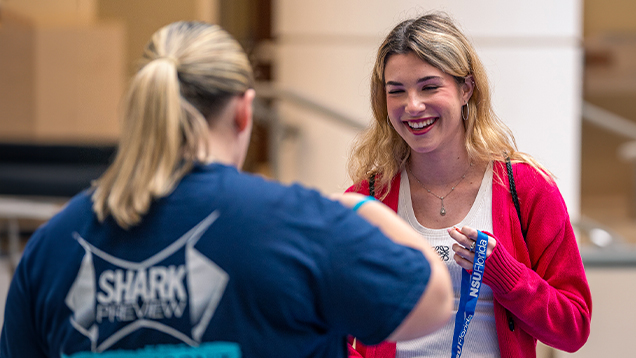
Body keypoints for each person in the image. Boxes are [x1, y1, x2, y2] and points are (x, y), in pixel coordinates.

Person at [0, 21, 453, 358]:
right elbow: (432, 303)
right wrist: (360, 210)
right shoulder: (300, 224)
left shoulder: (52, 246)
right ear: (243, 111)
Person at [345, 13, 592, 358]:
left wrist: (506, 275)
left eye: (430, 87)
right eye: (396, 91)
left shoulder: (526, 189)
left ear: (466, 89)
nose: (413, 105)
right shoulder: (366, 199)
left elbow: (573, 329)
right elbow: (326, 325)